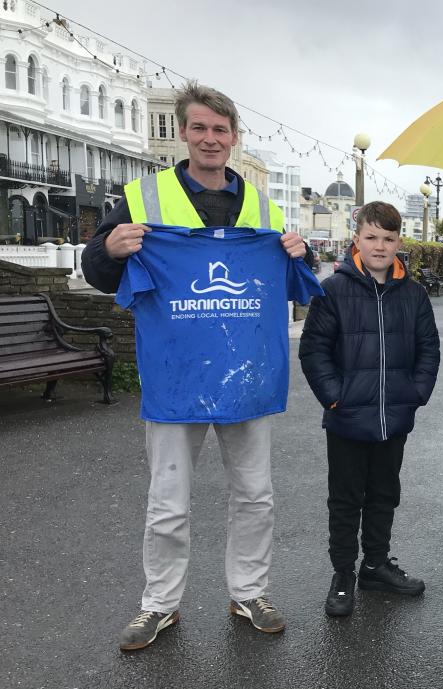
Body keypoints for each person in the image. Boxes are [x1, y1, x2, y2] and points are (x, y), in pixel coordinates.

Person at [82, 81, 317, 651]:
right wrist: (110, 250)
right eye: (200, 128)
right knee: (168, 501)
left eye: (220, 130)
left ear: (234, 138)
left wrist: (303, 253)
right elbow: (96, 267)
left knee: (255, 495)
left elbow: (302, 282)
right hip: (176, 379)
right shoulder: (141, 198)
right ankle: (159, 604)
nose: (210, 139)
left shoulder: (264, 207)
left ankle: (250, 591)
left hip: (246, 379)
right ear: (184, 133)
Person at [298, 202, 440, 613]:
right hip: (346, 418)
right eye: (372, 237)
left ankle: (375, 564)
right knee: (345, 500)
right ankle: (343, 573)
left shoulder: (413, 295)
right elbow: (314, 350)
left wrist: (415, 392)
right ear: (357, 238)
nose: (380, 246)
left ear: (399, 242)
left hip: (393, 417)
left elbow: (428, 348)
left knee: (383, 495)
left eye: (389, 238)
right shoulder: (334, 290)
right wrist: (334, 396)